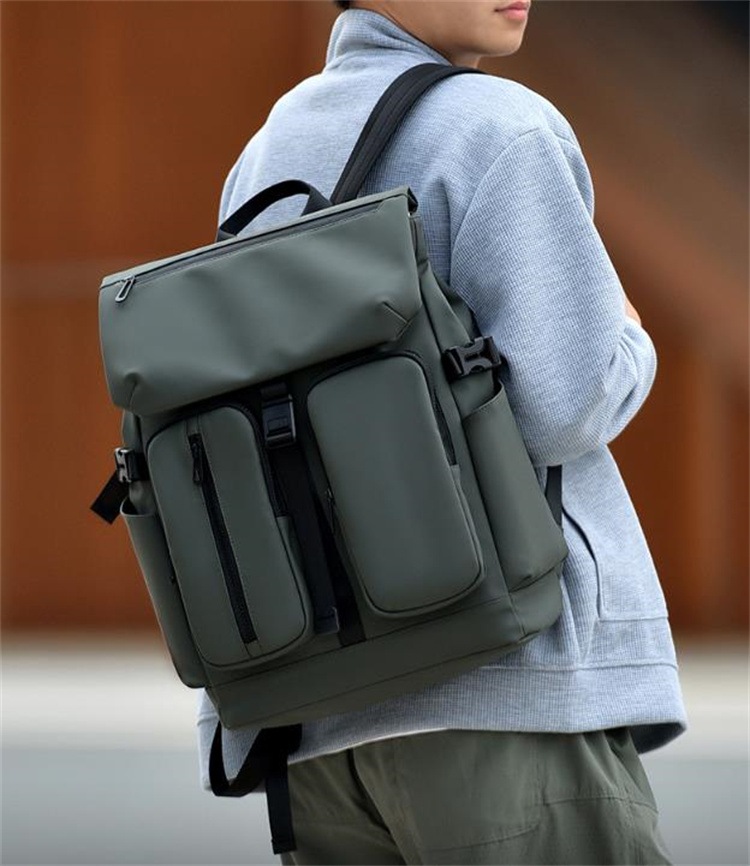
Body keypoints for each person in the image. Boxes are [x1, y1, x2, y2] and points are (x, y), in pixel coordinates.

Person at [196, 2, 688, 862]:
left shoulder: (270, 147)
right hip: (501, 691)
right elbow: (563, 405)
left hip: (317, 722)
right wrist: (630, 337)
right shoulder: (503, 127)